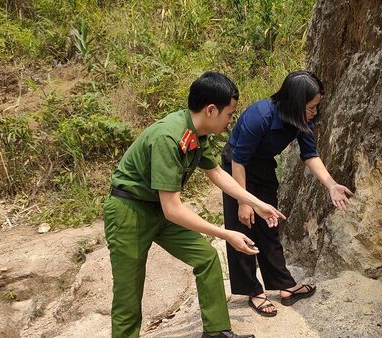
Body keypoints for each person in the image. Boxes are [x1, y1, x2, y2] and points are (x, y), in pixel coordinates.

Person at [104, 71, 285, 338]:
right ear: (211, 110)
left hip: (157, 209)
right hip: (129, 211)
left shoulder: (197, 132)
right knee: (129, 293)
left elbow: (217, 173)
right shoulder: (169, 136)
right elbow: (173, 208)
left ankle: (216, 331)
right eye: (229, 114)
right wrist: (225, 233)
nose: (230, 120)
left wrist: (256, 203)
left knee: (206, 257)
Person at [221, 70, 353, 316]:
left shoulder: (300, 120)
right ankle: (253, 291)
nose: (314, 112)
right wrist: (243, 201)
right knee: (243, 226)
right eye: (311, 107)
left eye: (316, 107)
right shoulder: (259, 116)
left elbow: (310, 155)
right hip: (236, 168)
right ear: (295, 103)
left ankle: (284, 286)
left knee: (270, 224)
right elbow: (238, 160)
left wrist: (331, 184)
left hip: (263, 166)